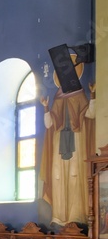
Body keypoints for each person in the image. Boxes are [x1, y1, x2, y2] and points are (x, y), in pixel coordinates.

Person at [41, 74, 95, 226]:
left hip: (77, 139)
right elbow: (49, 124)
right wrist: (46, 106)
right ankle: (59, 216)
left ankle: (76, 215)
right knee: (58, 177)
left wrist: (93, 95)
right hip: (59, 141)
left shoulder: (79, 94)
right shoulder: (57, 98)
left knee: (75, 176)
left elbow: (90, 114)